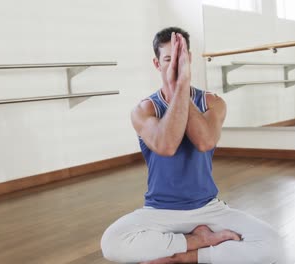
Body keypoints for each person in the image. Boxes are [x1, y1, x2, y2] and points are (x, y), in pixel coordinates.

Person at [100, 27, 282, 264]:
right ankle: (200, 240)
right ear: (157, 64)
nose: (174, 66)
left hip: (209, 208)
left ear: (190, 60)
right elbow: (166, 146)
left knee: (273, 244)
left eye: (180, 60)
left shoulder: (212, 102)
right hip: (160, 212)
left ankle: (183, 257)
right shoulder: (144, 110)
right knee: (111, 243)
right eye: (168, 60)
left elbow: (205, 142)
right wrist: (179, 86)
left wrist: (182, 86)